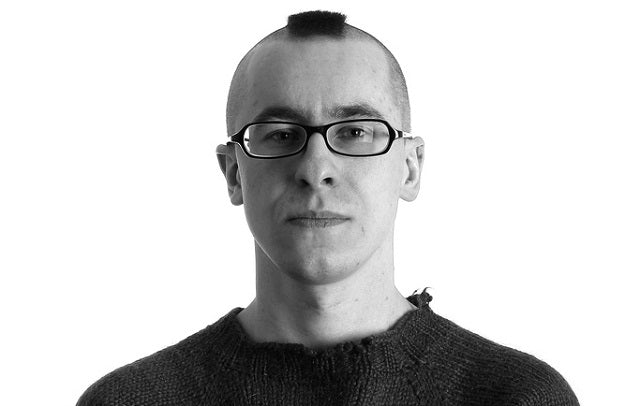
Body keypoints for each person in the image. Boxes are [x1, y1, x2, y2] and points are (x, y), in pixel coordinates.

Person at [77, 10, 579, 405]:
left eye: (355, 132)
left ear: (410, 168)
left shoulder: (517, 397)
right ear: (233, 173)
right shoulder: (131, 401)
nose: (316, 168)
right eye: (280, 134)